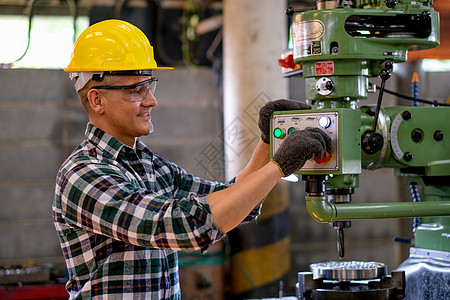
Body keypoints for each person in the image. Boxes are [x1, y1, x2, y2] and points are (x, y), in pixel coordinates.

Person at [52, 19, 332, 299]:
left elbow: (232, 201)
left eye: (149, 86)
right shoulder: (83, 174)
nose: (151, 101)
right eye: (135, 90)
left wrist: (267, 143)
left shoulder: (152, 165)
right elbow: (184, 225)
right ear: (97, 100)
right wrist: (278, 167)